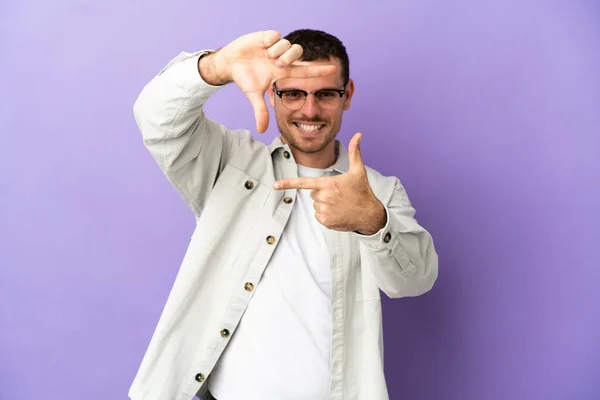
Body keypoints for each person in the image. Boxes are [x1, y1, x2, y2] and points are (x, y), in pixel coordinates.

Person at [128, 29, 438, 400]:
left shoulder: (380, 192)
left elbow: (415, 281)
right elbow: (155, 119)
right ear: (272, 94)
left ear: (347, 95)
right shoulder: (229, 163)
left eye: (325, 94)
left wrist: (372, 221)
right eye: (293, 93)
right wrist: (217, 66)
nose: (309, 110)